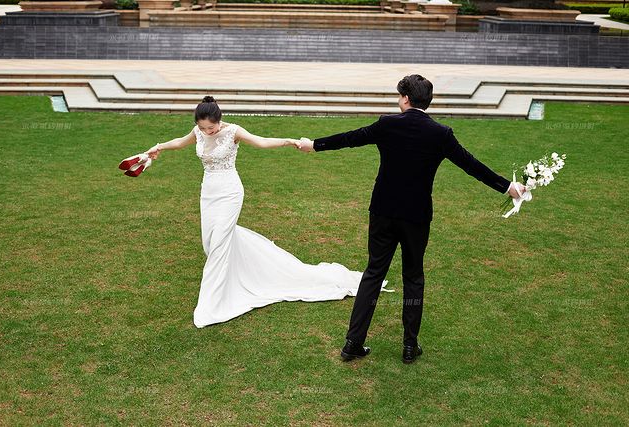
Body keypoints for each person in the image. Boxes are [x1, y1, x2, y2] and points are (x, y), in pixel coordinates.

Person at [297, 74, 526, 363]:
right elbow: (472, 165)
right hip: (416, 217)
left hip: (383, 212)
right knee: (413, 276)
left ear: (405, 98)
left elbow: (350, 139)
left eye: (399, 95)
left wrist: (314, 144)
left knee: (373, 273)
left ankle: (353, 342)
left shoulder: (387, 124)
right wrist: (507, 187)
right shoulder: (440, 134)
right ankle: (409, 345)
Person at [144, 96, 391, 328]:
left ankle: (213, 304)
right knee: (210, 243)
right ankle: (244, 273)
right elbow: (180, 142)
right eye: (203, 128)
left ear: (219, 120)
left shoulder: (233, 131)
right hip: (208, 192)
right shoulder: (198, 131)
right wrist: (159, 147)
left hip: (230, 192)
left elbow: (261, 142)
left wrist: (288, 141)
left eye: (211, 127)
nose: (208, 132)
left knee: (219, 242)